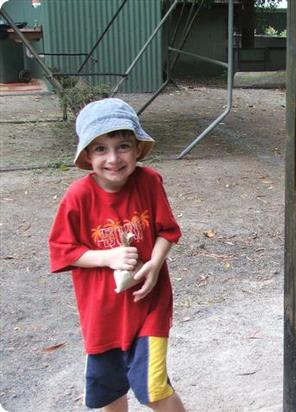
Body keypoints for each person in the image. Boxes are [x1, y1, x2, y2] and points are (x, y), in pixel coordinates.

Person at [48, 98, 186, 412]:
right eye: (100, 149)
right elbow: (62, 250)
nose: (113, 158)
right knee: (109, 392)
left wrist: (155, 263)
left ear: (137, 148)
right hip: (102, 318)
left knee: (154, 387)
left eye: (123, 146)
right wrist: (107, 257)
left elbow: (168, 231)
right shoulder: (78, 197)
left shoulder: (149, 181)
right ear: (86, 155)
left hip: (149, 307)